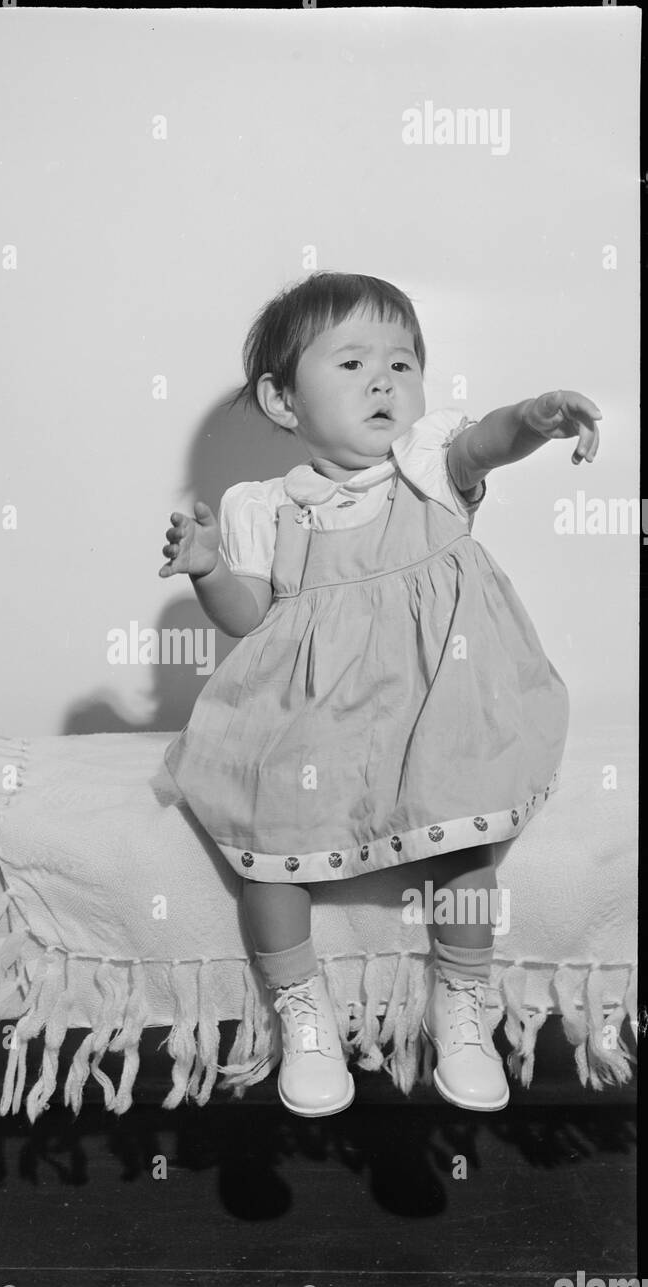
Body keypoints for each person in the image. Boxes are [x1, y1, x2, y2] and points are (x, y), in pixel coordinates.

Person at [159, 271, 600, 1118]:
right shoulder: (264, 505)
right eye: (353, 362)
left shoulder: (428, 467)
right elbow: (248, 618)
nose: (384, 381)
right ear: (282, 400)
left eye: (403, 363)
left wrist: (535, 418)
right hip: (314, 714)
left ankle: (460, 1002)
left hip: (438, 703)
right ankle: (302, 1007)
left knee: (466, 833)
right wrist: (210, 565)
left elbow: (488, 441)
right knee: (267, 845)